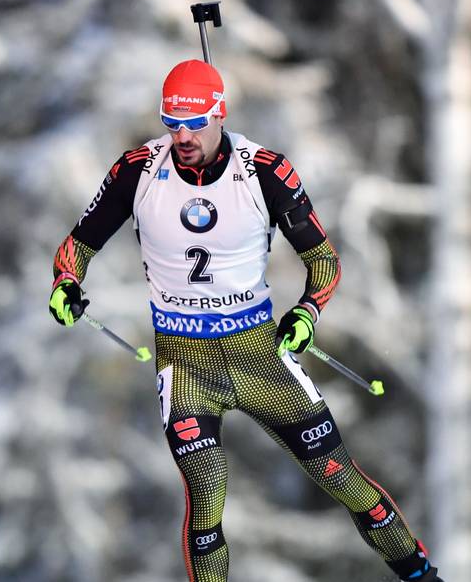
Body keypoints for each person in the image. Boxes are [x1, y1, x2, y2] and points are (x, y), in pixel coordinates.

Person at [48, 59, 440, 582]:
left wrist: (306, 313)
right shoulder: (138, 171)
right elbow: (77, 245)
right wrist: (66, 284)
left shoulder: (264, 171)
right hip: (185, 362)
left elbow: (322, 261)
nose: (182, 136)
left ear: (219, 113)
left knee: (340, 477)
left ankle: (421, 576)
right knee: (206, 490)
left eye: (194, 123)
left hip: (259, 355)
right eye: (172, 123)